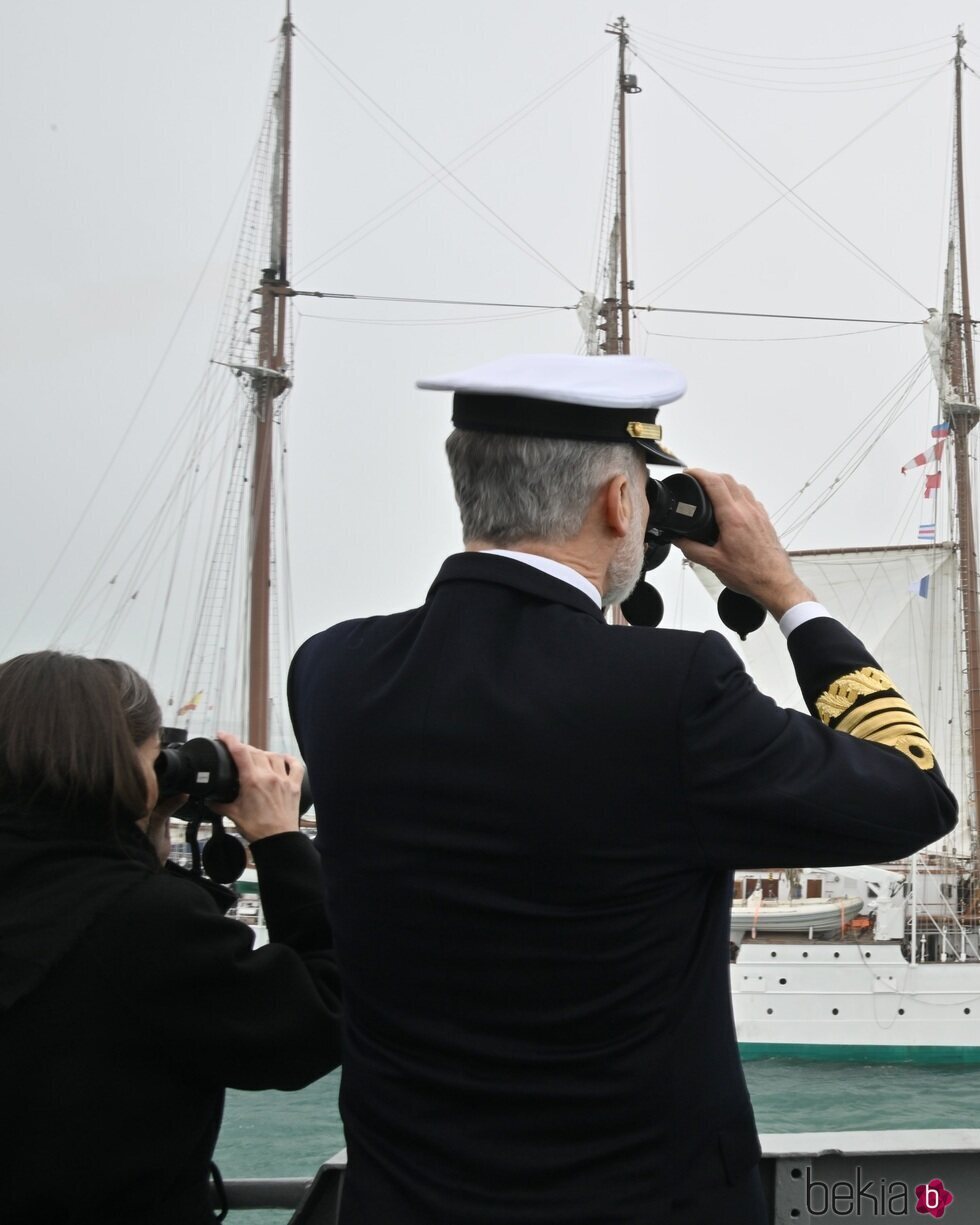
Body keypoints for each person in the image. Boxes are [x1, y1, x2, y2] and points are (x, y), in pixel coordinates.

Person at [288, 354, 957, 1225]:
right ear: (618, 504)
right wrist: (784, 593)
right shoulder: (673, 691)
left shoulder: (333, 674)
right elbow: (913, 793)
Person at [0, 650, 342, 1225]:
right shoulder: (143, 921)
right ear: (125, 762)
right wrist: (280, 842)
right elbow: (315, 1024)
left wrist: (146, 832)